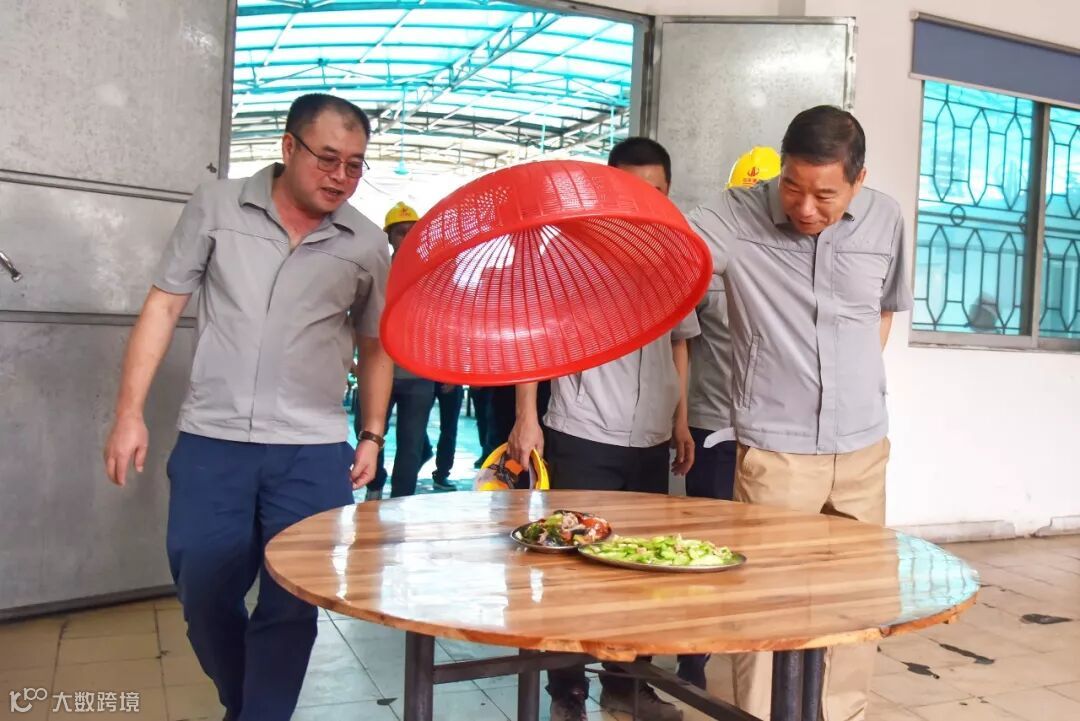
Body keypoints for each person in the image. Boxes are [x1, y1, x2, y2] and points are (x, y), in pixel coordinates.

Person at [102, 93, 393, 721]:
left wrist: (372, 434)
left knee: (294, 603)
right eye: (327, 158)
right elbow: (163, 306)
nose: (340, 176)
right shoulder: (216, 207)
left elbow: (375, 347)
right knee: (204, 592)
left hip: (313, 450)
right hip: (214, 439)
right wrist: (128, 413)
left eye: (355, 164)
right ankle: (249, 706)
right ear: (288, 146)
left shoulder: (368, 243)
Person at [688, 106, 912, 721]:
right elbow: (662, 256)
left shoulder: (886, 218)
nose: (805, 207)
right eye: (792, 186)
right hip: (778, 455)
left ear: (859, 180)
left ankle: (844, 714)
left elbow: (882, 312)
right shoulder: (732, 217)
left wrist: (851, 387)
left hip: (863, 449)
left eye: (825, 194)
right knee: (769, 603)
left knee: (857, 602)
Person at [508, 137, 697, 721]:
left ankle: (626, 685)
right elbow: (534, 338)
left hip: (651, 439)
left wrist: (680, 420)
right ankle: (566, 690)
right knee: (572, 568)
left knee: (641, 568)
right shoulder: (571, 255)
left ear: (668, 192)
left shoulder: (675, 258)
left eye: (656, 191)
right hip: (583, 432)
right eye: (631, 190)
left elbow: (681, 344)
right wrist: (525, 416)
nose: (644, 202)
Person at [677, 146, 782, 691]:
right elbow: (682, 343)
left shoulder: (794, 262)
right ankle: (692, 662)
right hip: (713, 427)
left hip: (774, 436)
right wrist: (678, 420)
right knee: (706, 549)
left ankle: (754, 649)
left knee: (765, 550)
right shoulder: (708, 257)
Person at [360, 201, 445, 500]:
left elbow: (443, 323)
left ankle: (400, 501)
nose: (407, 238)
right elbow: (359, 317)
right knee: (370, 435)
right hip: (377, 370)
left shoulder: (433, 275)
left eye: (413, 232)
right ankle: (373, 489)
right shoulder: (376, 271)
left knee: (411, 444)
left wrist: (444, 370)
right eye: (400, 232)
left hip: (418, 376)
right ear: (389, 236)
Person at [429, 381, 463, 490]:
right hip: (423, 379)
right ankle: (424, 453)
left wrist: (454, 379)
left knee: (449, 430)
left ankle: (441, 474)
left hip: (451, 378)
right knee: (416, 426)